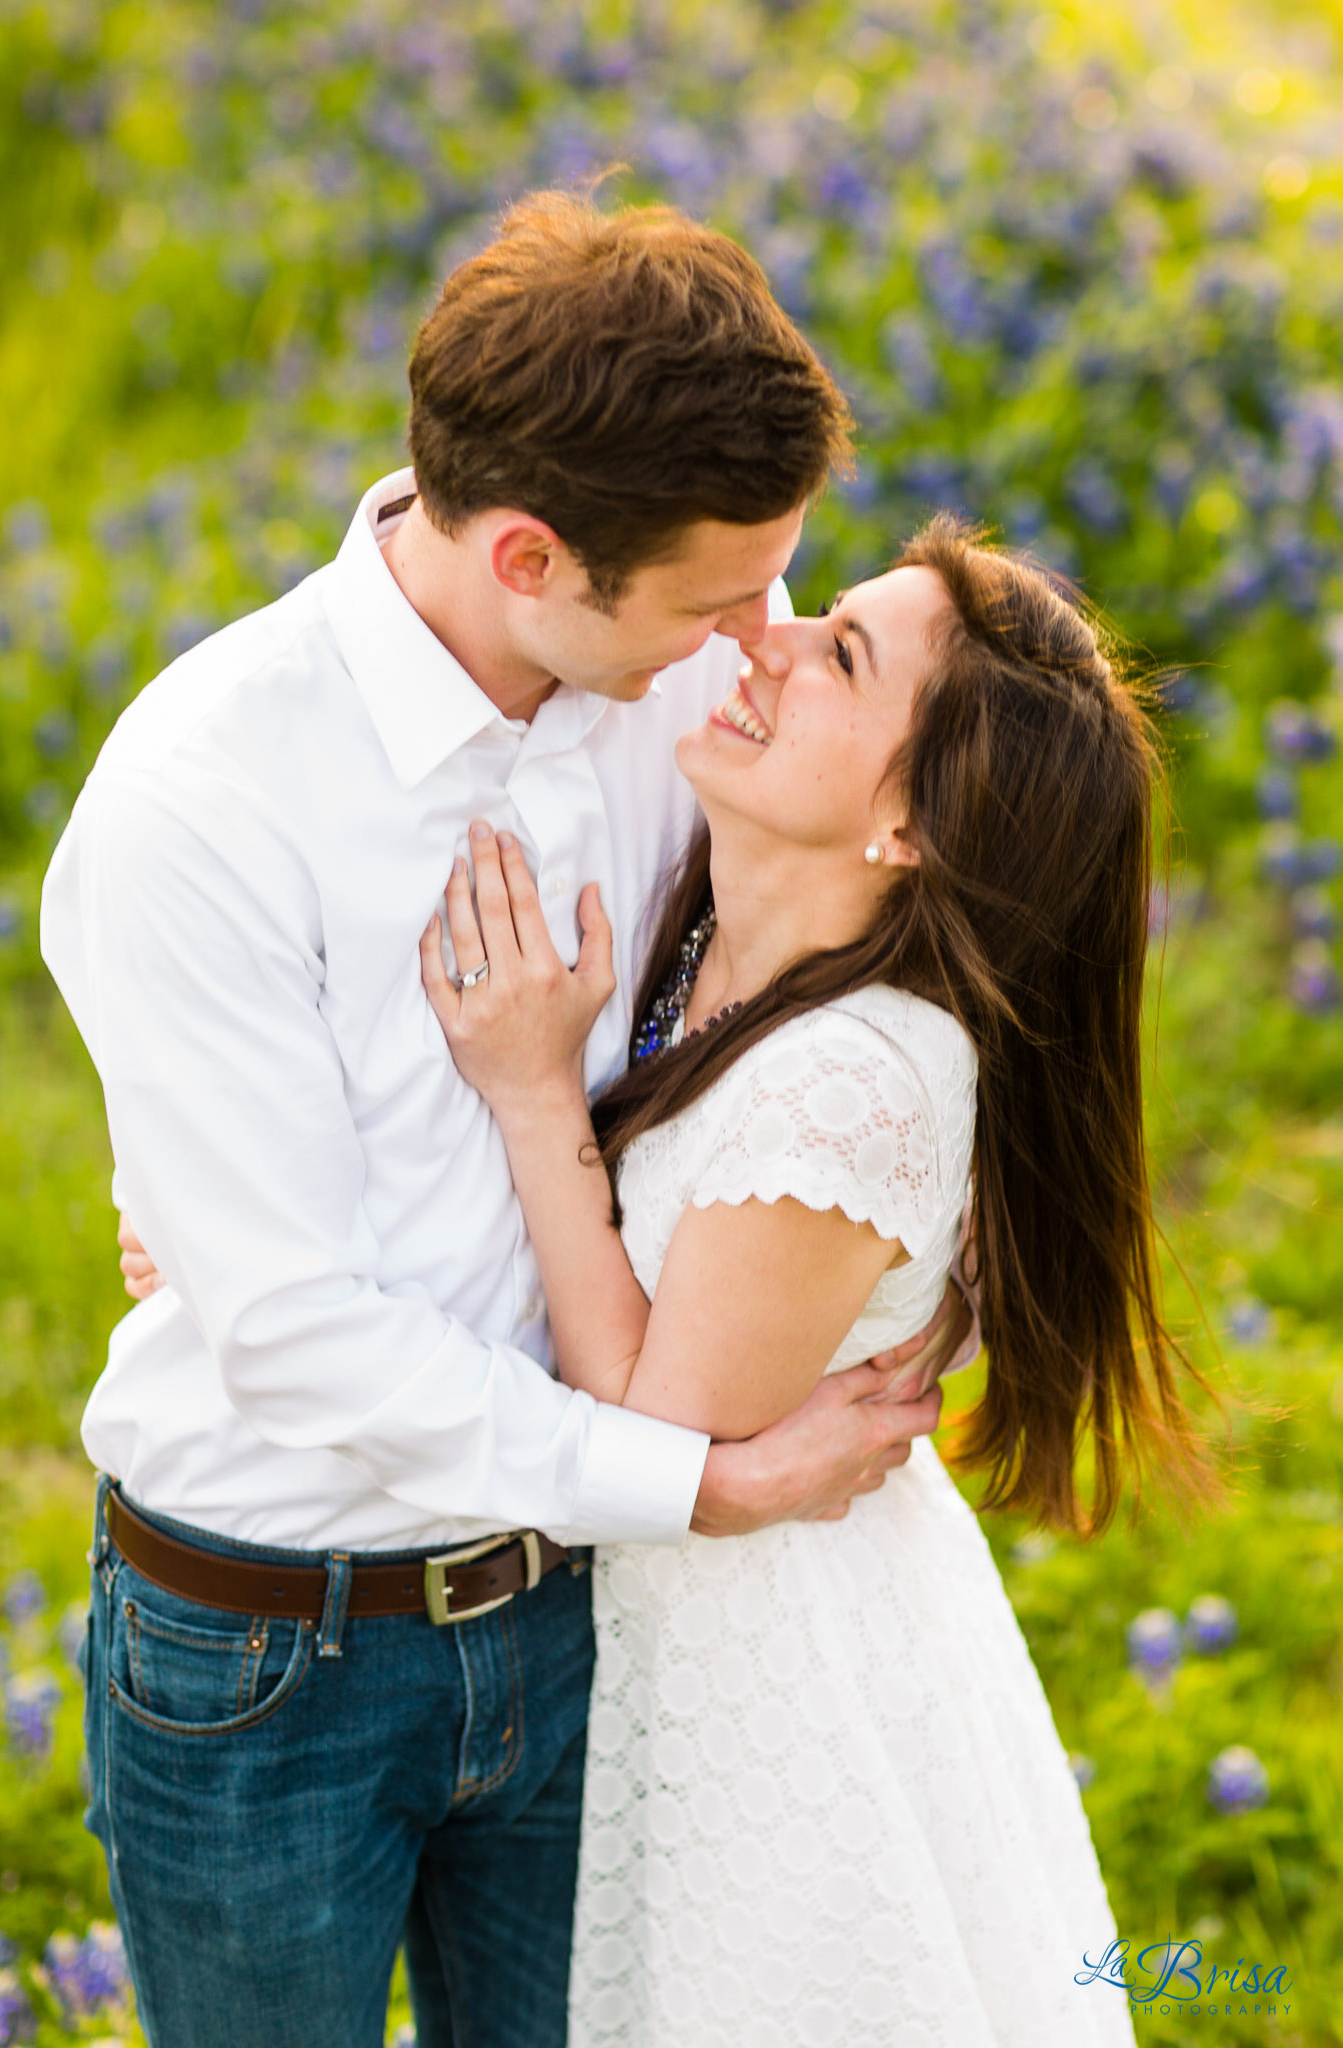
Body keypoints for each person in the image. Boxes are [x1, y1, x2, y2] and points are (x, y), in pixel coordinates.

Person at [40, 191, 970, 2048]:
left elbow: (886, 909)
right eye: (724, 598)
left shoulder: (695, 676)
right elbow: (298, 1335)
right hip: (271, 1648)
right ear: (535, 553)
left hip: (586, 1624)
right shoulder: (199, 797)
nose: (763, 641)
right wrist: (696, 1484)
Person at [418, 516, 1218, 2047]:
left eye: (836, 651)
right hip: (681, 1644)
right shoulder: (727, 921)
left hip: (782, 1687)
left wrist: (530, 1096)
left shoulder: (851, 1078)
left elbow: (650, 1416)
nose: (761, 637)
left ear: (912, 825)